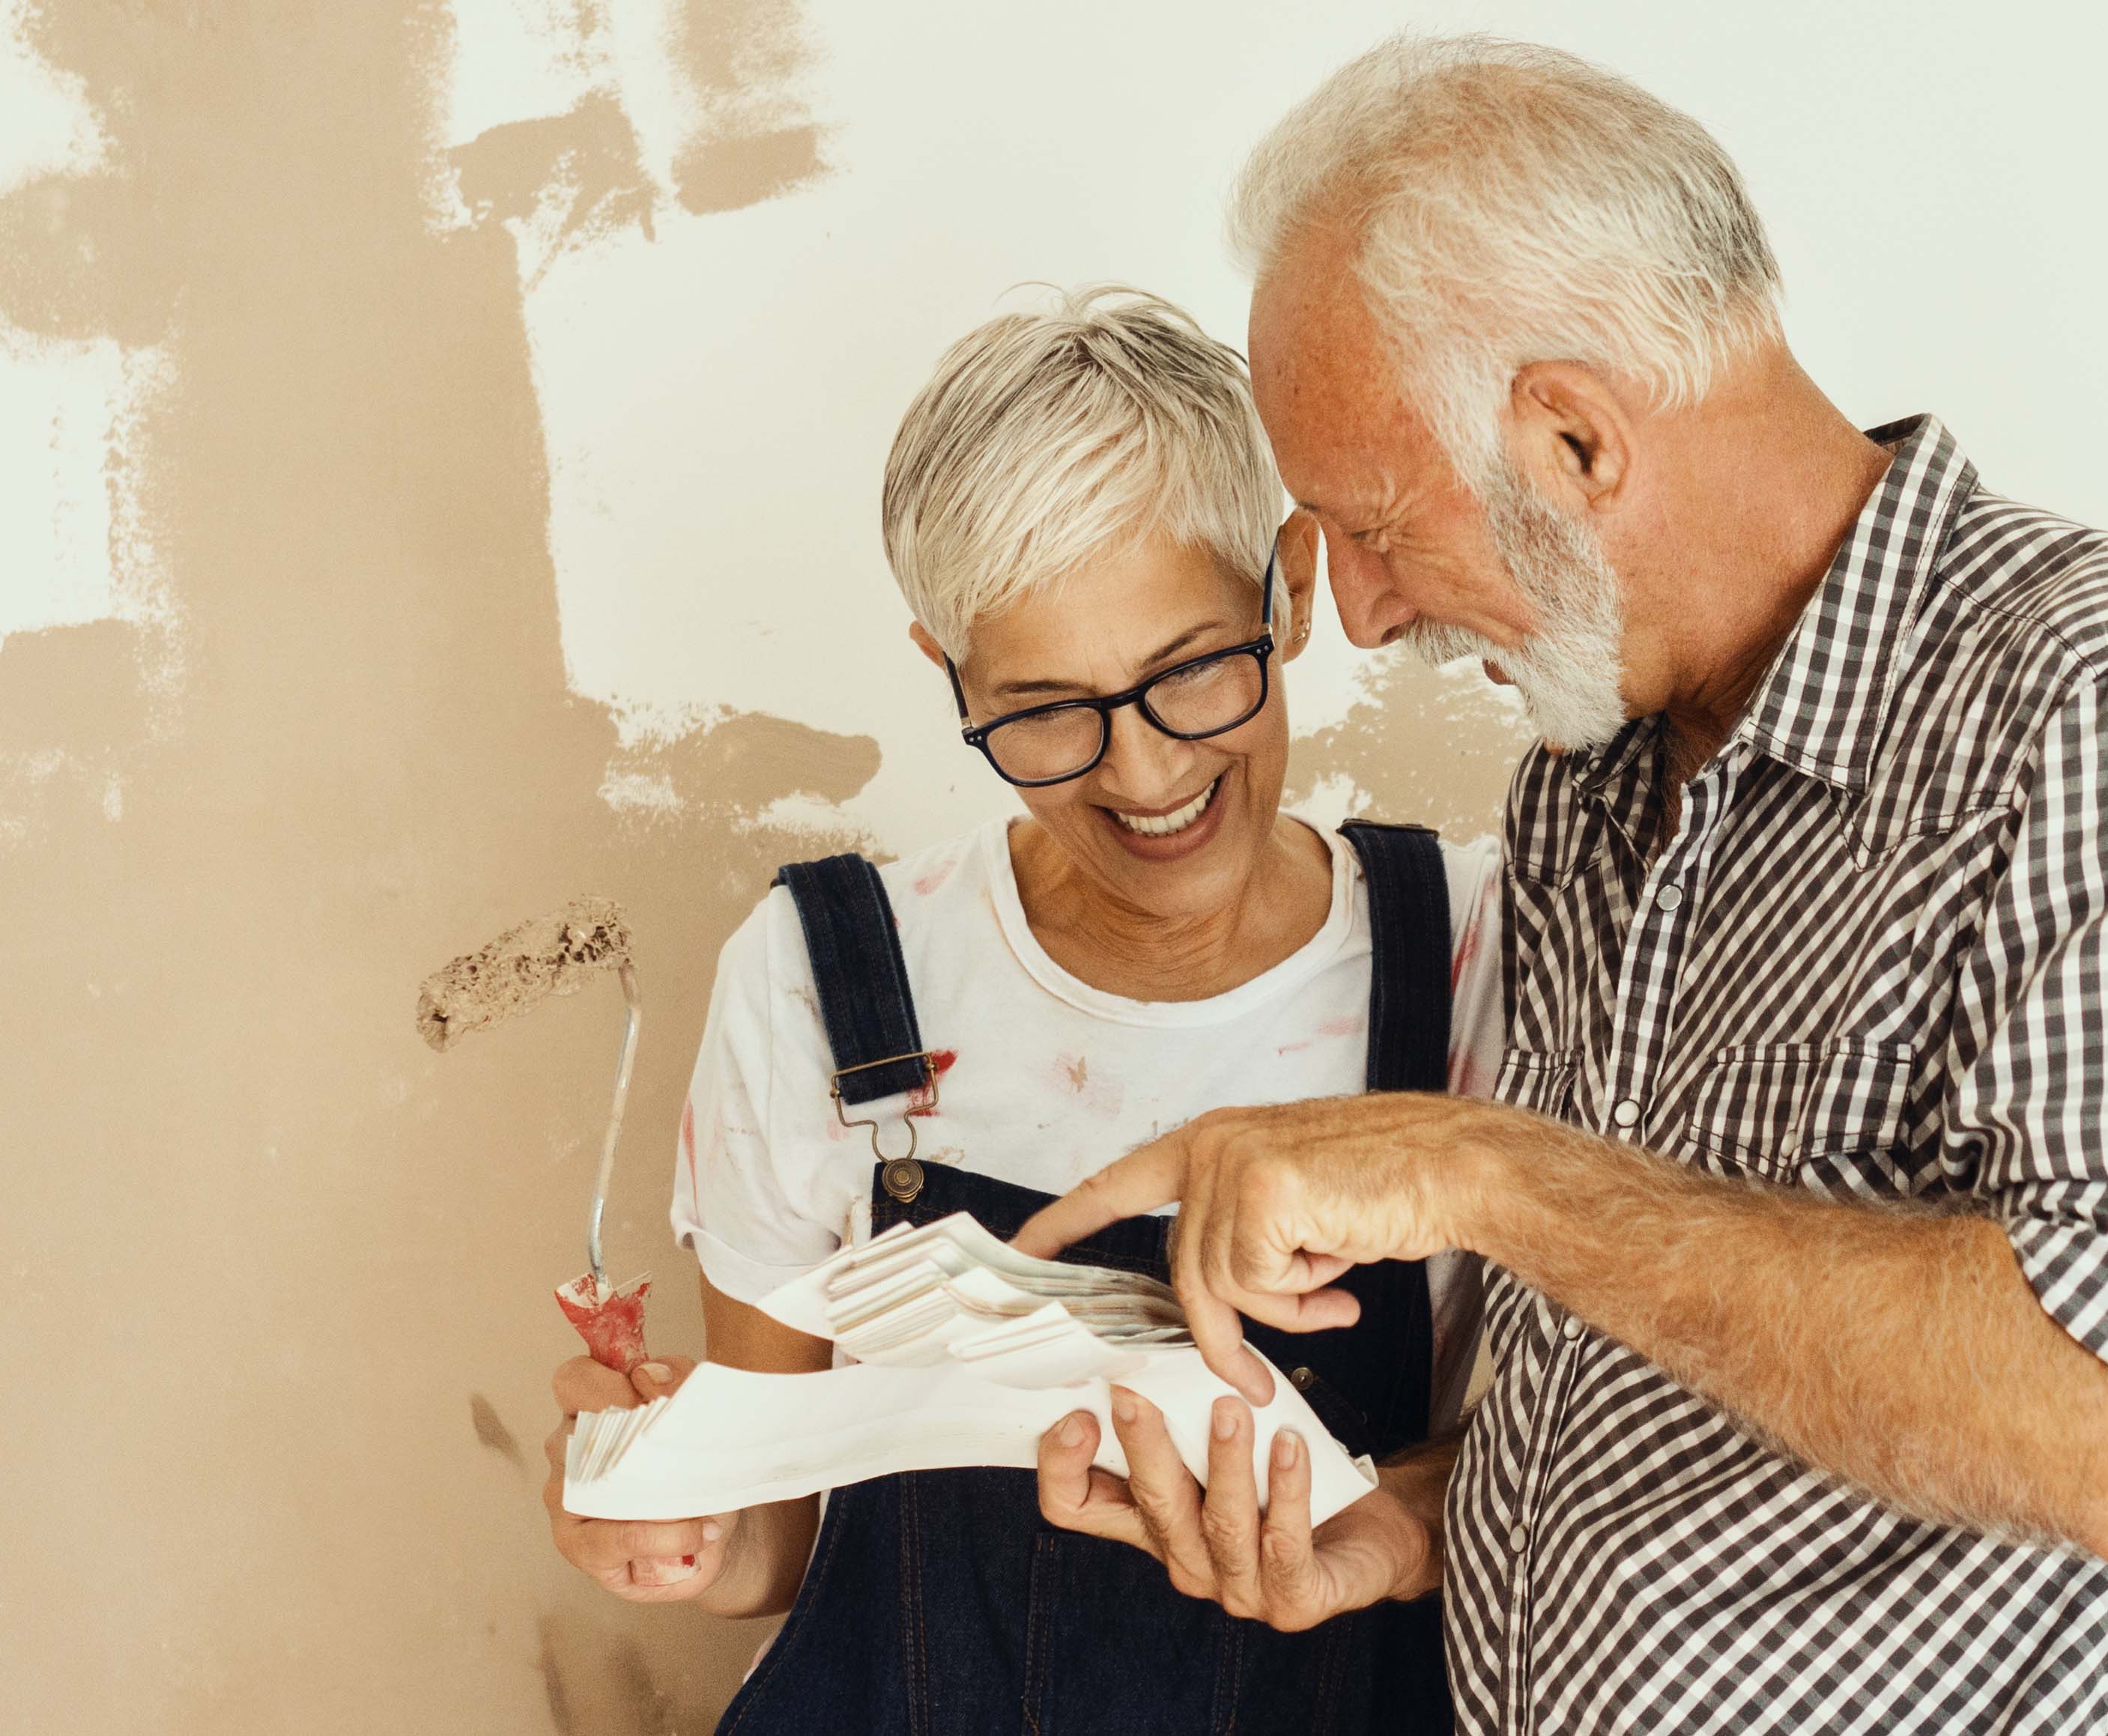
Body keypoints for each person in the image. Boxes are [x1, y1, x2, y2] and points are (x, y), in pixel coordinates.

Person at [1011, 36, 2108, 1735]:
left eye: (1371, 523)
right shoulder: (1586, 785)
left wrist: (1483, 1170)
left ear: (1574, 436)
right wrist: (1417, 1519)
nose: (1355, 614)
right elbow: (1692, 1366)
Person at [538, 284, 1492, 1735]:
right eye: (1044, 706)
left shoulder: (1483, 953)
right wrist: (682, 1523)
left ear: (1287, 589)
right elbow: (786, 1544)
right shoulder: (827, 975)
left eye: (1189, 672)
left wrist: (1388, 1518)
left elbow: (1579, 1493)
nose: (1143, 771)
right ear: (947, 671)